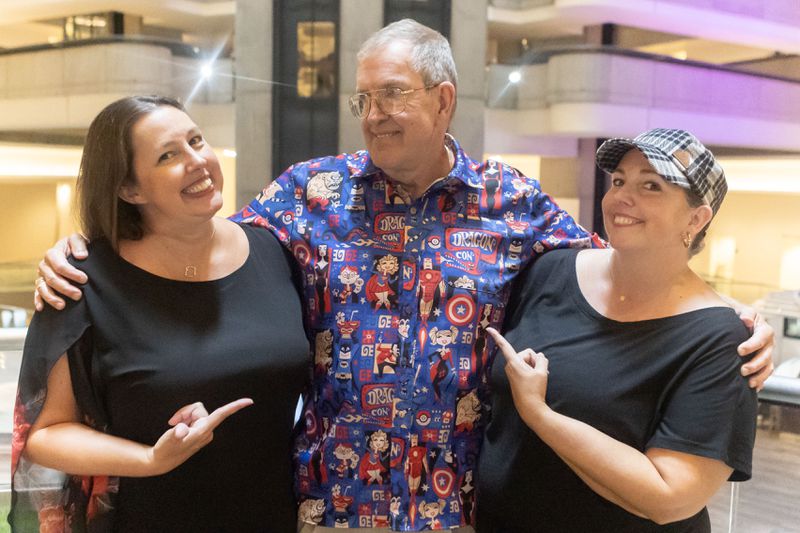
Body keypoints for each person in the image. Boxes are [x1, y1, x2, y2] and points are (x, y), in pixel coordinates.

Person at [33, 21, 774, 532]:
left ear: (443, 98)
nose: (374, 114)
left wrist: (731, 317)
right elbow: (195, 236)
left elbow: (628, 264)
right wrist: (82, 248)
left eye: (394, 95)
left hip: (460, 508)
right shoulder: (308, 193)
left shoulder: (514, 204)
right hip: (328, 504)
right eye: (364, 99)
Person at [10, 96, 309, 532]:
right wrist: (151, 459)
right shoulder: (82, 283)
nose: (197, 161)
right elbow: (45, 434)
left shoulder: (277, 252)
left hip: (274, 518)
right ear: (129, 189)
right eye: (169, 155)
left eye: (197, 140)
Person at [478, 129, 758, 532]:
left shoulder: (721, 340)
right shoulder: (551, 272)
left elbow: (669, 498)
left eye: (651, 185)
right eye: (620, 181)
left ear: (697, 219)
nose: (623, 196)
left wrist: (541, 415)